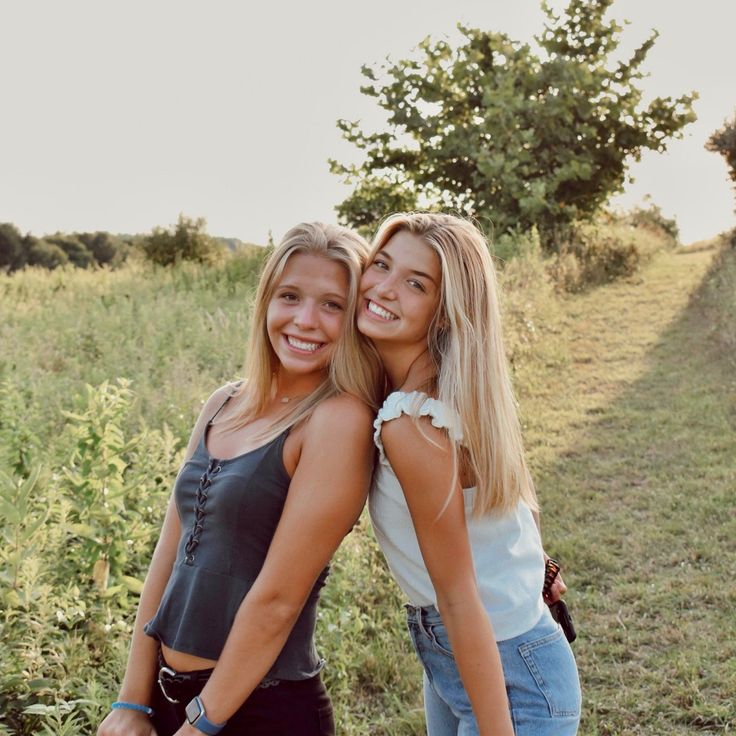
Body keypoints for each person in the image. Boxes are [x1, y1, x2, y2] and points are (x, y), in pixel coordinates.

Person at [97, 222, 381, 736]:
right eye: (289, 296)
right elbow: (169, 555)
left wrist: (202, 724)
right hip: (168, 700)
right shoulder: (223, 402)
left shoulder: (337, 421)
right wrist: (132, 702)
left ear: (357, 317)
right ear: (265, 302)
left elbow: (278, 600)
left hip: (259, 711)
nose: (305, 320)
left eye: (332, 305)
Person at [357, 212, 581, 735]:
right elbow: (498, 512)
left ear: (443, 313)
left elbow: (458, 595)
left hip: (505, 675)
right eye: (381, 265)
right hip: (475, 656)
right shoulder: (453, 390)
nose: (384, 289)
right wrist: (538, 566)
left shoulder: (412, 422)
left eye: (416, 284)